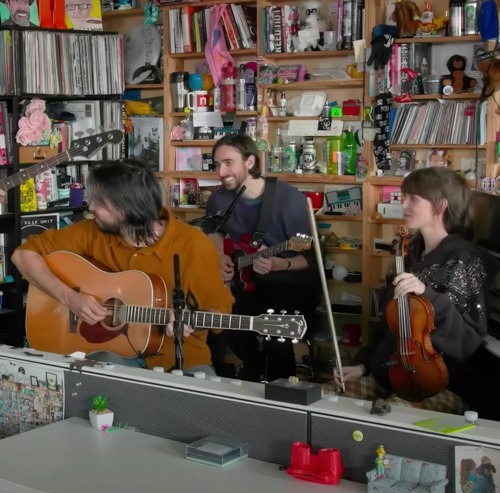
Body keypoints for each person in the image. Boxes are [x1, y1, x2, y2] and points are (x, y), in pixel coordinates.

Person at [11, 160, 234, 374]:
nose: (92, 207)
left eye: (101, 202)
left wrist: (191, 318)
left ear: (126, 209)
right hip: (112, 356)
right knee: (92, 381)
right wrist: (69, 297)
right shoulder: (92, 231)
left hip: (184, 362)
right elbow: (23, 255)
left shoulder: (193, 245)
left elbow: (219, 310)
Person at [334, 167, 498, 415]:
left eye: (413, 198)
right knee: (329, 400)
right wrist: (363, 365)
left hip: (439, 384)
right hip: (393, 375)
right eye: (403, 197)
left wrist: (427, 294)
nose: (404, 205)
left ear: (440, 206)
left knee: (393, 418)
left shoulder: (465, 260)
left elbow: (467, 340)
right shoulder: (410, 252)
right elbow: (390, 326)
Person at [202, 133, 320, 382]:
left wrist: (282, 263)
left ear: (250, 162)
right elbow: (213, 232)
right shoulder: (218, 199)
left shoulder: (290, 200)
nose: (220, 171)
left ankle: (280, 391)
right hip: (241, 284)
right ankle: (231, 383)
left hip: (287, 285)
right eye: (217, 164)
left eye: (228, 163)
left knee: (275, 336)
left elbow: (312, 258)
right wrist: (219, 256)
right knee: (215, 324)